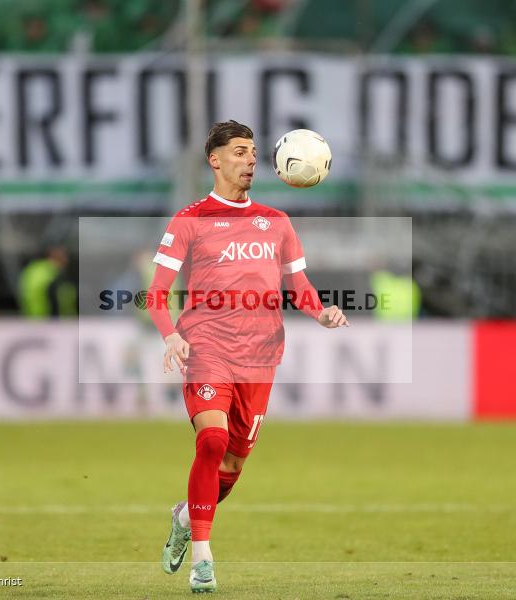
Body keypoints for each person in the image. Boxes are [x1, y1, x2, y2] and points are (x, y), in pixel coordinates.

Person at [147, 120, 348, 593]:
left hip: (259, 357)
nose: (250, 160)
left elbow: (299, 287)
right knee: (211, 442)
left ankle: (182, 518)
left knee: (232, 468)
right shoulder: (189, 220)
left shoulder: (276, 223)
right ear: (214, 160)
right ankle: (203, 558)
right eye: (239, 152)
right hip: (207, 349)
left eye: (254, 153)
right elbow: (156, 293)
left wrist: (320, 313)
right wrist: (171, 335)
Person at [19, 246, 77, 319]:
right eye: (65, 257)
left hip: (32, 319)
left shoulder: (33, 269)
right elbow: (63, 301)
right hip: (50, 322)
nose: (67, 260)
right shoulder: (54, 275)